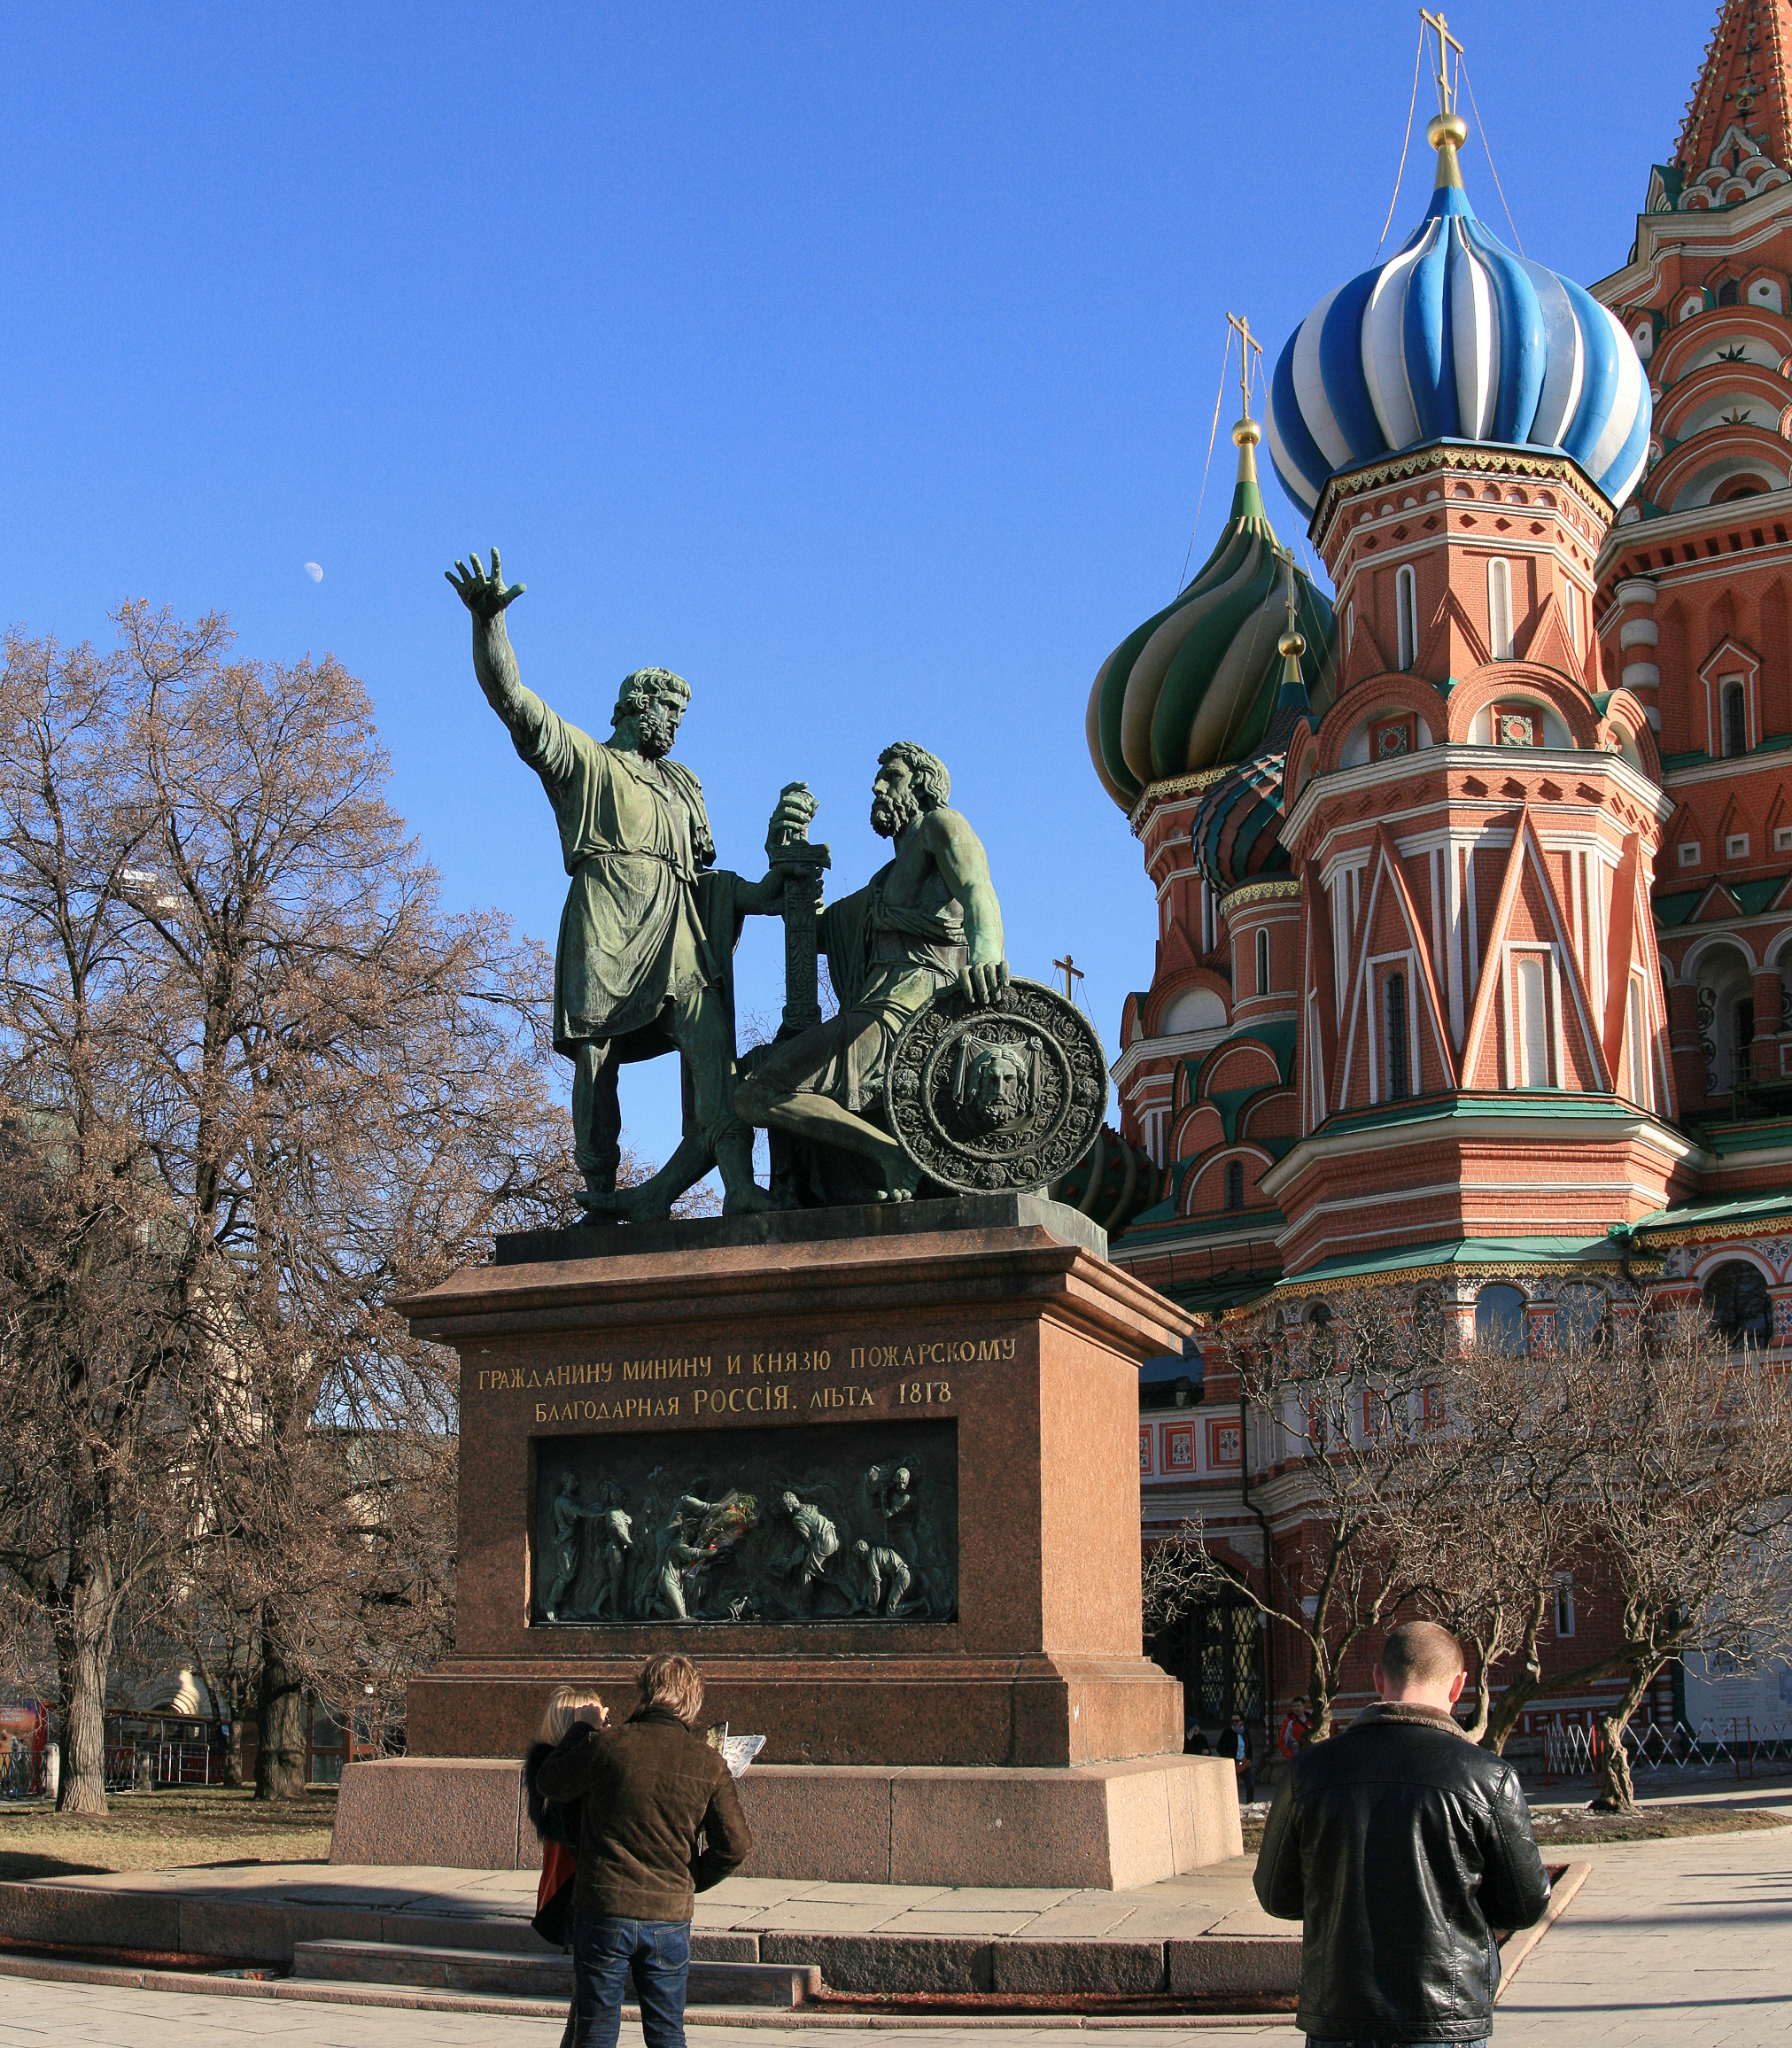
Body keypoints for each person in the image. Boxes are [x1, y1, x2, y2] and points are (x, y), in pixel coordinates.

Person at [1254, 1619, 1551, 2048]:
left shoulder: (1308, 1772)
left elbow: (1275, 1895)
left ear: (1379, 1678)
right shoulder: (1487, 1777)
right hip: (1443, 2017)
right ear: (1458, 1687)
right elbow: (1525, 1903)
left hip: (1341, 2016)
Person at [733, 743, 1007, 1201]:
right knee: (749, 1085)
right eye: (878, 780)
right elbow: (815, 933)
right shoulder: (885, 880)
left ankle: (891, 1155)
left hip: (910, 1011)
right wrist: (785, 857)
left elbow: (979, 888)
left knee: (756, 1093)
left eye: (892, 777)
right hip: (877, 1009)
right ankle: (885, 1153)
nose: (878, 788)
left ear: (921, 784)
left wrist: (986, 953)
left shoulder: (941, 825)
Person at [537, 1651, 752, 2048]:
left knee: (596, 2032)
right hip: (668, 1915)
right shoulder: (707, 1763)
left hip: (604, 1909)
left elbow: (550, 1782)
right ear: (692, 1702)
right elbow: (735, 1845)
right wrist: (688, 1879)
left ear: (646, 1692)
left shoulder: (608, 1745)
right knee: (667, 2033)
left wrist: (581, 1728)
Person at [526, 1687, 609, 2048]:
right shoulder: (554, 1771)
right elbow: (566, 1825)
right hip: (575, 1890)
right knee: (591, 1999)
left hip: (582, 1889)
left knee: (588, 1999)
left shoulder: (576, 1765)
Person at [1228, 1711, 1254, 1800]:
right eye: (1233, 1721)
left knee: (1250, 1784)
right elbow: (1220, 1747)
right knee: (1232, 1786)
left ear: (1241, 1721)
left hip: (1243, 1762)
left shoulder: (1245, 1732)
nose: (1234, 1723)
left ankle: (1250, 1803)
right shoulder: (1228, 1732)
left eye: (1237, 1721)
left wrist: (1249, 1759)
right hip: (1232, 1762)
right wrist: (1228, 1757)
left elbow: (1249, 1746)